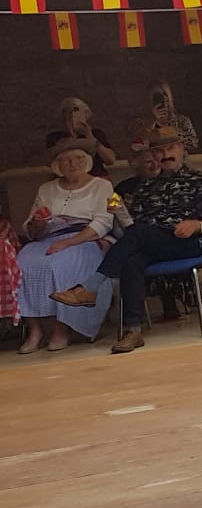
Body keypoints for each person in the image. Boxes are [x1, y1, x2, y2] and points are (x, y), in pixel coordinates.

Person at [52, 126, 202, 354]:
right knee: (131, 261)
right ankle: (133, 330)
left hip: (184, 242)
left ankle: (90, 287)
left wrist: (196, 225)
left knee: (139, 234)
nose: (166, 155)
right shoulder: (145, 186)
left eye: (171, 148)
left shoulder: (200, 179)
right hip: (150, 241)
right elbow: (132, 226)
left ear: (181, 149)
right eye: (160, 151)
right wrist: (120, 211)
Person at [15, 140, 118, 352]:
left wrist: (69, 242)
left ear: (87, 161)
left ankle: (61, 329)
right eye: (66, 160)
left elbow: (103, 222)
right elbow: (31, 228)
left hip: (85, 238)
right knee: (22, 264)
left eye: (78, 158)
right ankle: (35, 330)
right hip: (48, 238)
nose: (72, 164)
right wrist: (37, 224)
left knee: (60, 264)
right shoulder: (46, 188)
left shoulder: (102, 186)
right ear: (57, 165)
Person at [44, 98, 117, 175]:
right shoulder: (54, 137)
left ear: (86, 115)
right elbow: (51, 163)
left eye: (77, 114)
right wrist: (72, 136)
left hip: (96, 176)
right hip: (66, 178)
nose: (73, 118)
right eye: (68, 116)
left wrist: (90, 137)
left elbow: (110, 160)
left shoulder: (96, 133)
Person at [143, 81, 201, 154]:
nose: (162, 100)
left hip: (179, 160)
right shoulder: (141, 122)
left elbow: (193, 144)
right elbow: (139, 148)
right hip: (155, 161)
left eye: (164, 94)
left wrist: (165, 134)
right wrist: (151, 123)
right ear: (149, 98)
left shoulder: (182, 120)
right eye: (157, 97)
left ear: (168, 97)